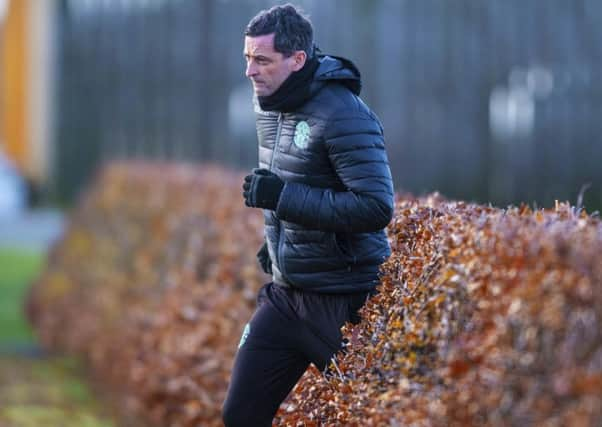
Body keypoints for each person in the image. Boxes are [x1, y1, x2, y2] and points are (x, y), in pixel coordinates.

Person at [222, 4, 394, 426]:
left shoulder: (344, 114)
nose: (250, 71)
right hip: (285, 297)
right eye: (247, 58)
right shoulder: (267, 104)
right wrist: (279, 242)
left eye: (262, 60)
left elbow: (376, 208)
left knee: (373, 417)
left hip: (341, 303)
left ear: (297, 60)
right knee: (239, 416)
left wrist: (283, 199)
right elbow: (302, 181)